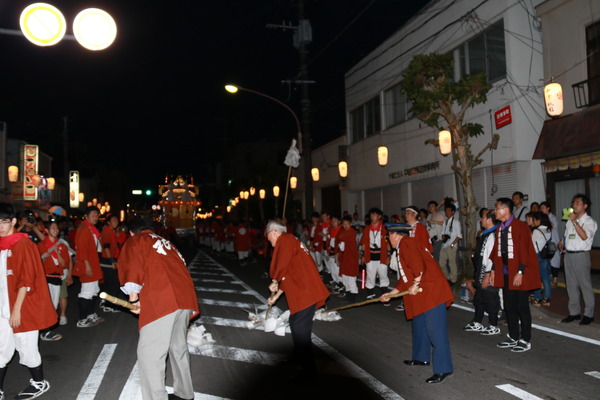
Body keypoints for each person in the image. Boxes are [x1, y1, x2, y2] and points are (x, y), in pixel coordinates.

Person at [118, 214, 199, 400]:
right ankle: (185, 394)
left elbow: (132, 268)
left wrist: (133, 298)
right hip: (184, 297)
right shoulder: (167, 243)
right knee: (178, 347)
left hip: (162, 299)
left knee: (150, 355)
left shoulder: (136, 241)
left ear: (132, 232)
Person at [380, 223, 454, 384]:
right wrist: (391, 294)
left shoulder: (407, 243)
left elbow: (418, 266)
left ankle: (444, 368)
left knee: (436, 331)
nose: (387, 239)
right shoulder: (403, 246)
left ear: (395, 235)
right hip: (422, 292)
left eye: (387, 236)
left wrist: (416, 283)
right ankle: (421, 358)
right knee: (420, 325)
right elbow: (405, 277)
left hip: (432, 292)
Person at [0, 202, 56, 400]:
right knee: (1, 350)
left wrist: (16, 310)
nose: (1, 226)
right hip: (3, 307)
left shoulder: (23, 245)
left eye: (4, 221)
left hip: (22, 307)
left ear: (14, 221)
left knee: (26, 348)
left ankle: (39, 383)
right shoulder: (2, 246)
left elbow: (25, 280)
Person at [266, 220, 329, 380]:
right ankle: (298, 357)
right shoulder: (290, 241)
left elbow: (281, 266)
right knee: (295, 322)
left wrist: (274, 279)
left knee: (301, 328)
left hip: (306, 292)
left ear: (274, 231)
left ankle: (310, 371)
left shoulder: (285, 240)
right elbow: (287, 274)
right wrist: (276, 296)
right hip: (303, 290)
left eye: (268, 235)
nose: (268, 239)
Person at [490, 197, 540, 353]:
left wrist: (520, 272)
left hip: (519, 273)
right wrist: (493, 270)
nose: (495, 211)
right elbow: (496, 252)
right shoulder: (500, 227)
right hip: (505, 273)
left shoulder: (520, 226)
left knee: (522, 307)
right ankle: (513, 335)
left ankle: (525, 339)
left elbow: (525, 251)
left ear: (505, 210)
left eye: (497, 208)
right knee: (509, 306)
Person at [559, 194, 597, 325]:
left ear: (585, 206)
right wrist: (562, 244)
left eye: (577, 203)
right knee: (571, 286)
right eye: (573, 203)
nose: (574, 205)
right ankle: (574, 312)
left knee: (585, 285)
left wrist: (575, 221)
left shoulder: (589, 221)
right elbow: (567, 236)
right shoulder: (570, 221)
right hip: (568, 255)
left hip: (581, 255)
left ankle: (589, 314)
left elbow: (585, 236)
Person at [464, 209, 501, 335]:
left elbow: (492, 258)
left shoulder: (494, 234)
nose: (481, 220)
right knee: (479, 298)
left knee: (490, 298)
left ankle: (493, 325)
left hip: (488, 273)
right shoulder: (485, 233)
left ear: (490, 219)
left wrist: (488, 274)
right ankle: (477, 321)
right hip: (481, 271)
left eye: (483, 218)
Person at [37, 221, 72, 341]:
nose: (55, 230)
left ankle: (47, 329)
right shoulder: (41, 245)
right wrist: (44, 257)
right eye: (52, 228)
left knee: (54, 304)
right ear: (46, 230)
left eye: (57, 228)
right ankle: (45, 331)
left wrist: (57, 252)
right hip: (45, 277)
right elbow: (37, 264)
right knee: (47, 304)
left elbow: (65, 264)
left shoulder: (62, 244)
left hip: (57, 277)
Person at [73, 206, 105, 328]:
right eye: (93, 215)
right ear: (86, 216)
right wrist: (87, 265)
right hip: (88, 264)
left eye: (97, 215)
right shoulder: (84, 229)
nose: (95, 217)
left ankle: (90, 314)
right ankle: (82, 319)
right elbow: (81, 249)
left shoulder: (91, 229)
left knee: (94, 290)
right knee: (86, 292)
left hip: (93, 263)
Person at [360, 208, 389, 299]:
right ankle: (370, 294)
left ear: (379, 216)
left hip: (382, 255)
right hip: (370, 255)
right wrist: (362, 255)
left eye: (374, 215)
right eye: (371, 215)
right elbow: (364, 243)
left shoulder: (384, 228)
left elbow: (388, 243)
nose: (372, 217)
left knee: (383, 275)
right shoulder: (367, 229)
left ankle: (384, 295)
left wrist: (389, 255)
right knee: (370, 275)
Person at [99, 213, 123, 313]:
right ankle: (109, 304)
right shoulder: (107, 231)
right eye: (113, 221)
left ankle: (108, 303)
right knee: (112, 283)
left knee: (112, 282)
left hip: (112, 259)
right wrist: (111, 260)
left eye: (116, 220)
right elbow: (106, 247)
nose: (115, 222)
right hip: (108, 260)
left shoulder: (113, 231)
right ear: (108, 222)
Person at [531, 212, 552, 307]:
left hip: (536, 255)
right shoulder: (548, 230)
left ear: (539, 221)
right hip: (545, 256)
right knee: (545, 278)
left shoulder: (536, 231)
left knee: (536, 278)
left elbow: (531, 245)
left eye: (534, 220)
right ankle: (547, 298)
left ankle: (537, 298)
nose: (533, 222)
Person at [336, 216, 359, 302]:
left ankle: (353, 295)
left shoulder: (352, 232)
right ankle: (349, 292)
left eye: (347, 224)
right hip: (345, 258)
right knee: (345, 277)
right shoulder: (344, 232)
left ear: (351, 224)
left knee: (351, 277)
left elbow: (340, 237)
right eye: (344, 224)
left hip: (351, 257)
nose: (345, 226)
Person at [439, 204, 462, 284]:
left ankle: (453, 280)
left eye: (449, 211)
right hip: (444, 245)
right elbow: (443, 233)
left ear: (453, 212)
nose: (447, 212)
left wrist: (452, 244)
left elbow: (459, 236)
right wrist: (443, 236)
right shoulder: (445, 222)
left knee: (452, 263)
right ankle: (447, 277)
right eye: (446, 211)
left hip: (452, 245)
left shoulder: (456, 222)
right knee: (441, 263)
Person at [540, 201, 561, 287]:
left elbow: (552, 226)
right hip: (545, 243)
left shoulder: (553, 218)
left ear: (548, 208)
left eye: (543, 208)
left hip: (553, 242)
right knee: (546, 262)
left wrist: (545, 220)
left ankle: (555, 280)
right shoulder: (542, 218)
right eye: (541, 208)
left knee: (555, 261)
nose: (542, 210)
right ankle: (547, 279)